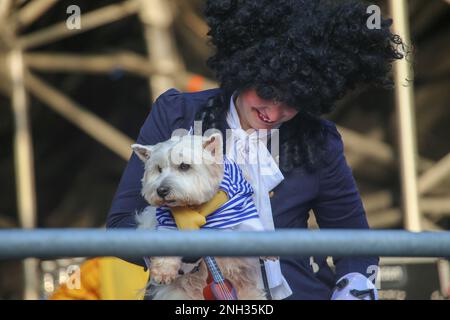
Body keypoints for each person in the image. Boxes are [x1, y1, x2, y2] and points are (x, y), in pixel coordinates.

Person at [107, 0, 405, 299]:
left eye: (292, 102)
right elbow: (120, 226)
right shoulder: (177, 113)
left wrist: (354, 287)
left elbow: (355, 243)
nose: (273, 114)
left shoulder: (319, 139)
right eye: (266, 92)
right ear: (244, 67)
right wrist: (180, 254)